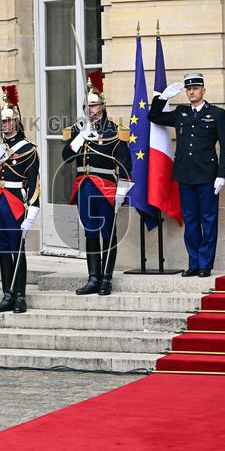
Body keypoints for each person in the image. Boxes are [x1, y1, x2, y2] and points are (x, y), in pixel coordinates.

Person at [149, 73, 225, 278]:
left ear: (203, 90)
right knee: (191, 220)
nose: (191, 92)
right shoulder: (181, 112)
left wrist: (223, 174)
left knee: (208, 220)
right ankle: (193, 263)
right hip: (185, 174)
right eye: (188, 89)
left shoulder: (217, 114)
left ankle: (205, 264)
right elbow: (154, 116)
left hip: (207, 176)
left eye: (195, 88)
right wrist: (161, 98)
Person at [62, 71, 132, 295]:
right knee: (90, 232)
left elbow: (125, 164)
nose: (90, 110)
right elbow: (66, 156)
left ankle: (106, 279)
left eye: (94, 106)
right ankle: (93, 278)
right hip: (84, 186)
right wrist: (80, 136)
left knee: (108, 233)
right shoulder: (77, 129)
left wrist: (120, 194)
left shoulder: (113, 131)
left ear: (102, 106)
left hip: (106, 188)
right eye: (88, 106)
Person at [0, 85, 40, 314]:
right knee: (4, 250)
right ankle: (7, 294)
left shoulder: (28, 149)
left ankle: (20, 295)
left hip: (16, 202)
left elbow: (34, 182)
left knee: (18, 250)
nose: (5, 125)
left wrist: (32, 211)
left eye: (8, 121)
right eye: (2, 122)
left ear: (16, 122)